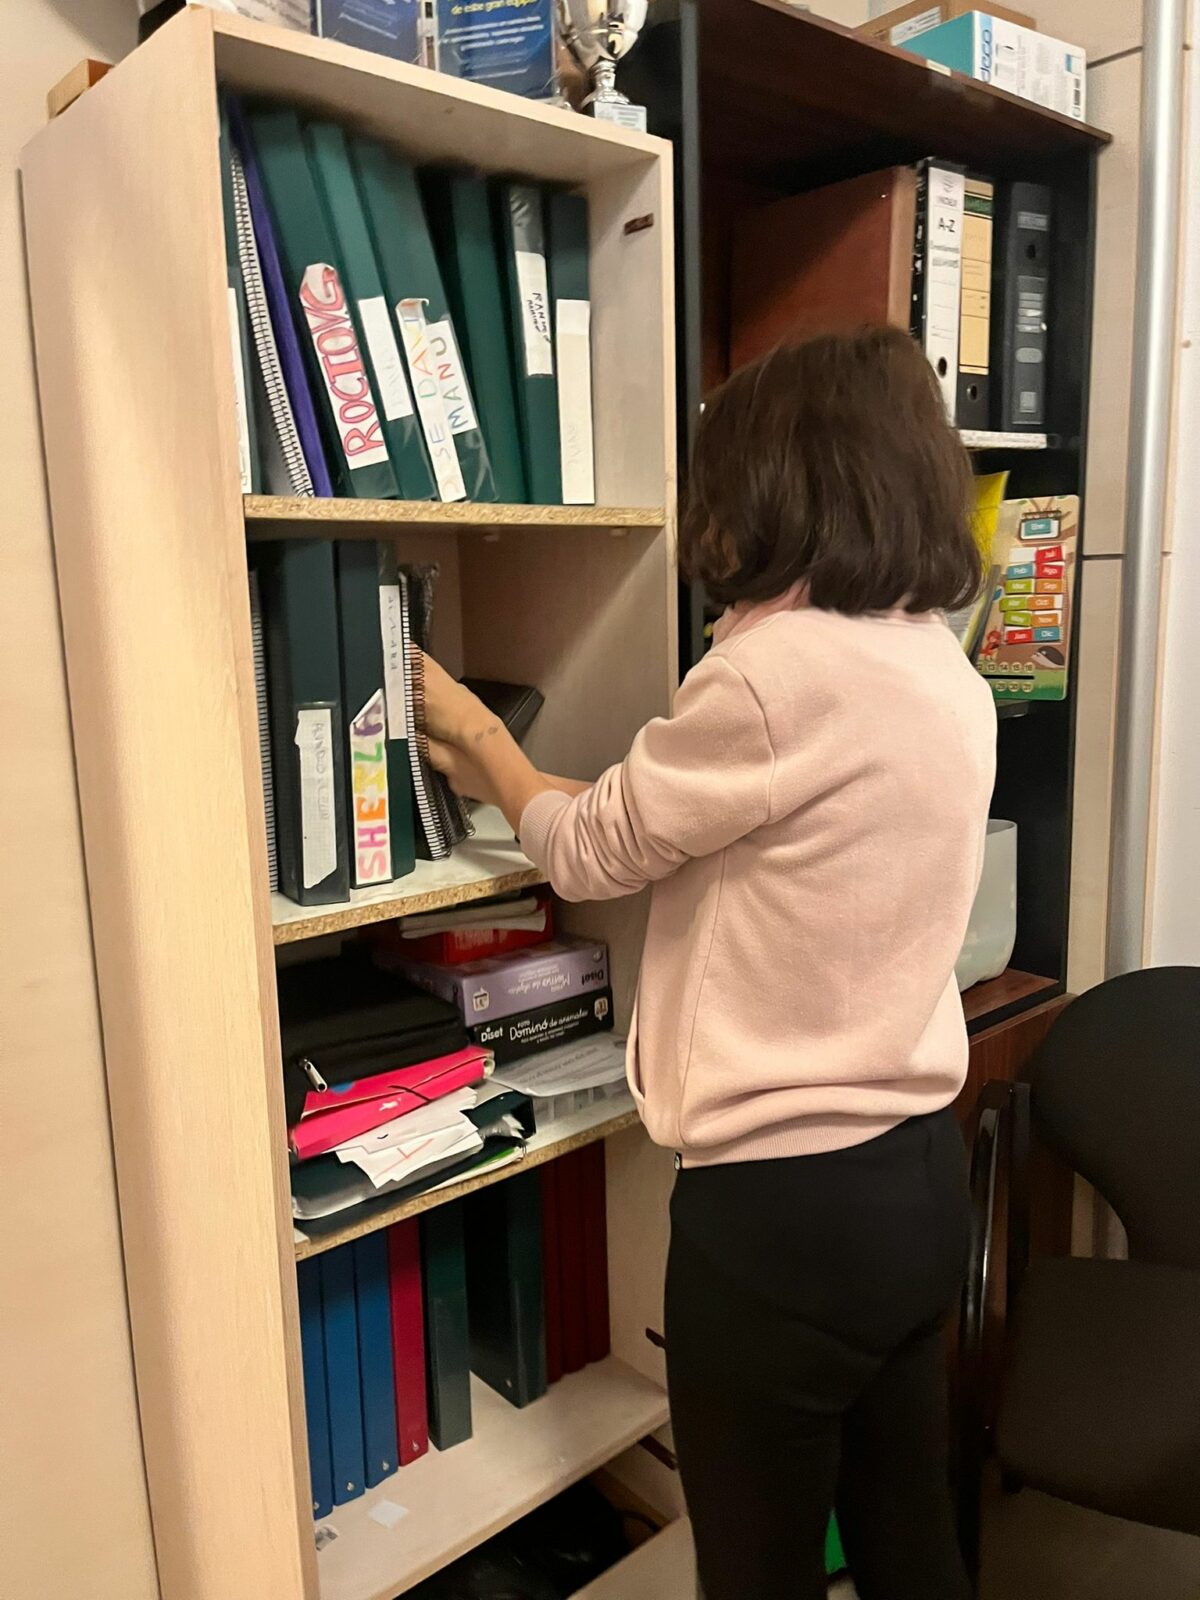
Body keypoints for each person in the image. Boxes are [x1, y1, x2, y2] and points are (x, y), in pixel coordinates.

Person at [421, 325, 995, 1600]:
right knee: (909, 1537)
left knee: (756, 1571)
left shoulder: (768, 677)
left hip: (781, 1218)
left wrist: (482, 742)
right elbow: (731, 826)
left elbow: (592, 849)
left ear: (777, 485)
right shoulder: (943, 668)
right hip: (915, 1176)